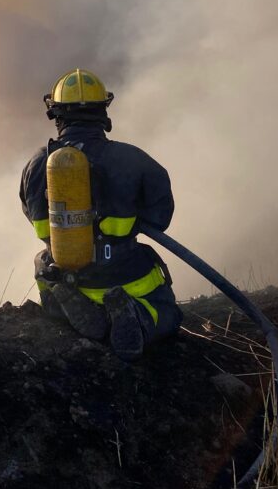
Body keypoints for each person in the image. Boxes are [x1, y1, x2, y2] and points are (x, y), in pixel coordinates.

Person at [19, 69, 182, 360]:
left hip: (65, 275)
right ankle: (139, 316)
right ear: (102, 111)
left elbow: (34, 218)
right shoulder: (133, 160)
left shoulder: (36, 165)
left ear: (56, 113)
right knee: (167, 313)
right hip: (122, 278)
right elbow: (160, 219)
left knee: (43, 260)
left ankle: (65, 309)